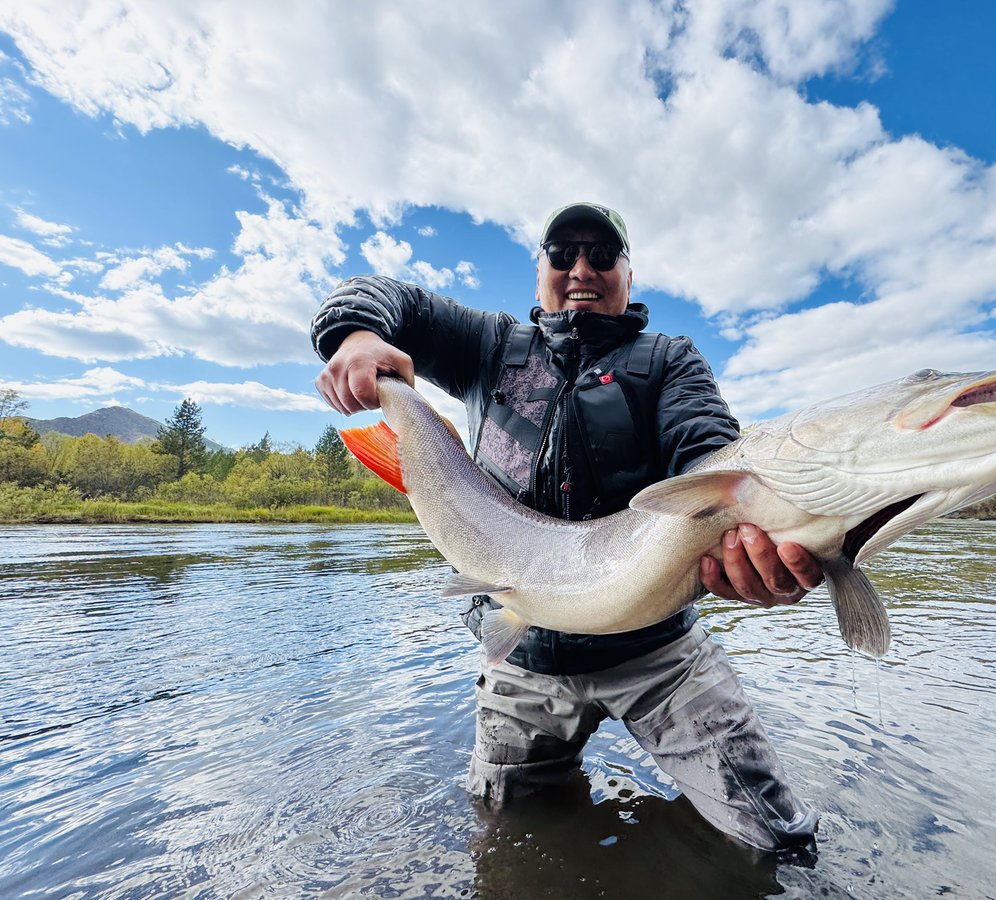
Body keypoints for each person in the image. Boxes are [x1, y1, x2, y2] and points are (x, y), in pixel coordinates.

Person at [311, 202, 823, 852]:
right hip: (523, 655)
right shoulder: (488, 345)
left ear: (628, 276)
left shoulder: (669, 360)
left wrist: (743, 530)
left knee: (781, 836)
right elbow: (384, 298)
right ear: (540, 272)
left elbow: (708, 452)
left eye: (602, 255)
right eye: (563, 253)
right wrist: (357, 335)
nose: (582, 267)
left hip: (659, 655)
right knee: (506, 835)